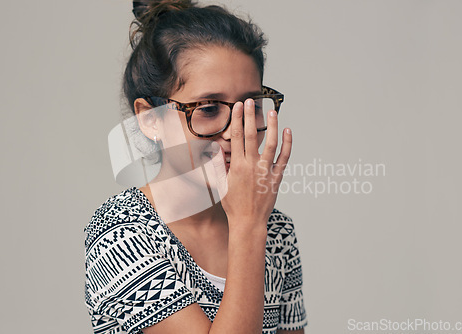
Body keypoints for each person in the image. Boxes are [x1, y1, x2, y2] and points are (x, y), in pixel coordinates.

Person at [84, 0, 307, 333]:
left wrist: (254, 225)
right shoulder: (121, 235)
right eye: (207, 108)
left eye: (250, 107)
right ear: (149, 119)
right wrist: (247, 228)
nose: (237, 131)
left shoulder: (274, 230)